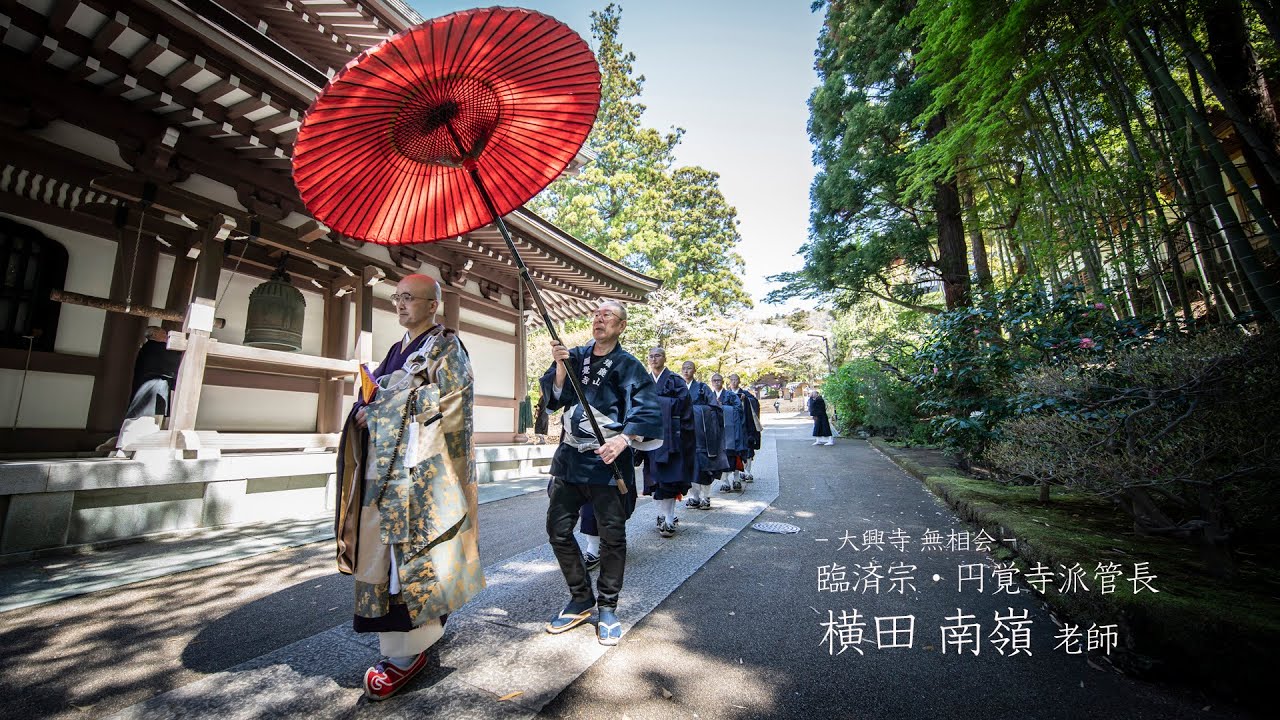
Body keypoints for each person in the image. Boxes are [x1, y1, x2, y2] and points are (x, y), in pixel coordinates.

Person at [334, 273, 484, 701]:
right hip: (385, 470)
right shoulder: (396, 350)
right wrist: (368, 405)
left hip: (419, 475)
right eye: (396, 297)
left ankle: (405, 655)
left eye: (409, 298)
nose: (399, 305)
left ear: (432, 304)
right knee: (388, 557)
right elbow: (375, 395)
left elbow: (454, 406)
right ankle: (424, 632)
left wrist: (382, 408)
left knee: (411, 558)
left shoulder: (447, 347)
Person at [542, 300, 661, 646]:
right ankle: (581, 597)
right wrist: (560, 367)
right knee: (557, 529)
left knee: (613, 537)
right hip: (570, 459)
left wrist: (623, 441)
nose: (599, 319)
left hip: (609, 463)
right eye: (596, 315)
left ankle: (608, 606)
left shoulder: (630, 366)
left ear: (621, 326)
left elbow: (647, 412)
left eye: (607, 315)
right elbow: (554, 399)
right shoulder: (574, 355)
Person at [639, 347, 694, 537]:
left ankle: (669, 519)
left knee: (669, 479)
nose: (654, 359)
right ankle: (661, 516)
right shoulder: (644, 380)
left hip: (672, 437)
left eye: (658, 355)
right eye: (651, 356)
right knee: (654, 479)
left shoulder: (675, 380)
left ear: (665, 358)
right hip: (649, 436)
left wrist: (657, 402)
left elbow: (684, 405)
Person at [682, 361, 728, 510]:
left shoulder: (702, 388)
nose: (686, 371)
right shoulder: (679, 387)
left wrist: (698, 411)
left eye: (689, 368)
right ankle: (693, 497)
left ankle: (705, 497)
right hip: (685, 433)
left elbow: (715, 407)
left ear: (694, 370)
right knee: (688, 465)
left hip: (703, 433)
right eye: (684, 368)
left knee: (704, 464)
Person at [125, 326, 182, 419]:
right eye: (163, 333)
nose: (166, 336)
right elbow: (176, 360)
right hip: (154, 385)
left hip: (150, 385)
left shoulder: (148, 347)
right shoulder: (156, 347)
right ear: (155, 335)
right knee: (153, 414)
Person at [710, 373, 745, 493]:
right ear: (711, 382)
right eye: (714, 380)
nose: (716, 382)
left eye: (719, 380)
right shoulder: (710, 396)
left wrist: (724, 408)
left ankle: (736, 479)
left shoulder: (730, 395)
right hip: (717, 430)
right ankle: (725, 482)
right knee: (720, 456)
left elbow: (739, 409)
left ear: (723, 381)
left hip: (731, 429)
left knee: (734, 454)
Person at [729, 373, 762, 482]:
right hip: (732, 426)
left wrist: (746, 399)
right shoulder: (727, 394)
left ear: (739, 381)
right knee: (735, 451)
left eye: (736, 380)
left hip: (746, 426)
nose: (734, 382)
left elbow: (755, 402)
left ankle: (748, 472)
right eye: (732, 380)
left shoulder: (745, 393)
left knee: (748, 449)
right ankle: (737, 474)